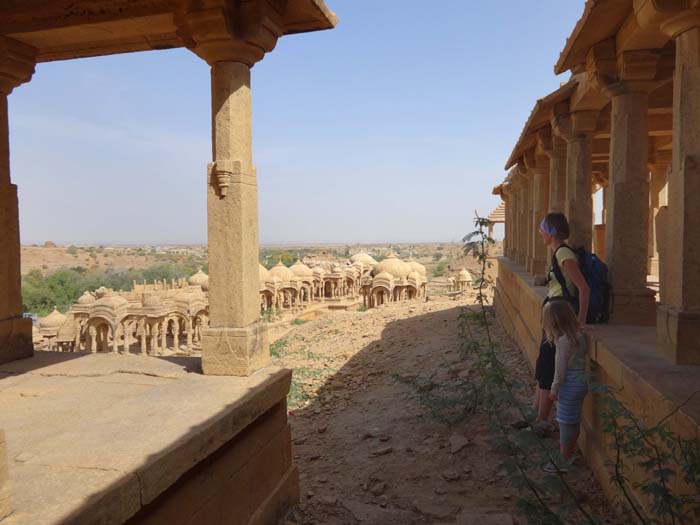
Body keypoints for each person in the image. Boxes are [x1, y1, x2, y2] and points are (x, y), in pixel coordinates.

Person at [532, 213, 590, 428]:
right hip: (554, 314)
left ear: (551, 232)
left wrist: (580, 321)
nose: (540, 233)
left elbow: (583, 287)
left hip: (561, 316)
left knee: (548, 365)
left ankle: (541, 422)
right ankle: (536, 414)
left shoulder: (563, 253)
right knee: (543, 362)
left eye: (542, 229)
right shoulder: (557, 252)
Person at [542, 300, 589, 473]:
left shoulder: (563, 341)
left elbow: (560, 370)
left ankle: (563, 461)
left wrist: (554, 391)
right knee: (573, 421)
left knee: (565, 422)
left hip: (568, 384)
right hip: (581, 382)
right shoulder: (579, 335)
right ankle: (569, 454)